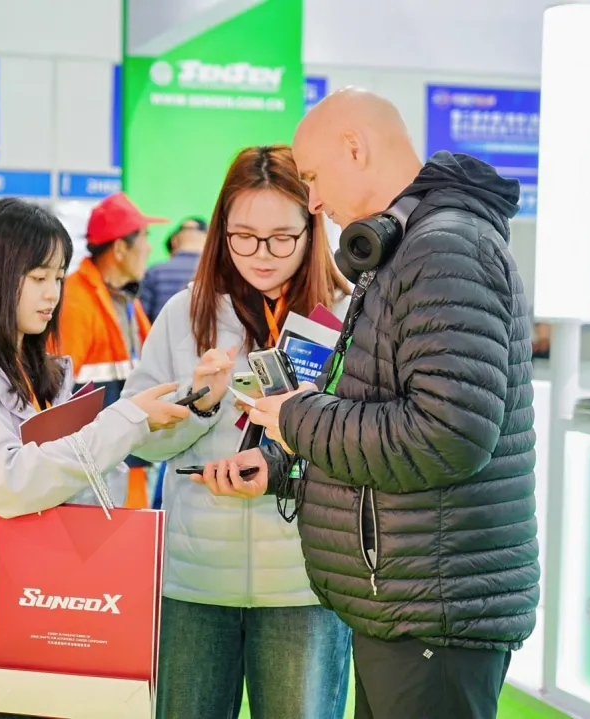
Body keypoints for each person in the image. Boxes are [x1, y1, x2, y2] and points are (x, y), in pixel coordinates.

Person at [193, 89, 539, 719]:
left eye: (314, 177)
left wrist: (297, 417)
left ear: (355, 147)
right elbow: (384, 413)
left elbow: (447, 434)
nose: (314, 200)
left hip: (434, 608)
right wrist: (284, 465)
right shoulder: (410, 248)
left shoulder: (445, 249)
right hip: (409, 601)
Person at [0, 198, 189, 719]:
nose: (52, 293)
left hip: (60, 618)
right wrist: (125, 421)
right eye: (38, 277)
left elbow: (71, 476)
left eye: (58, 276)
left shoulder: (36, 371)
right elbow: (12, 482)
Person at [122, 145, 353, 719]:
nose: (262, 255)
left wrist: (290, 458)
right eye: (243, 237)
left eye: (281, 238)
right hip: (195, 582)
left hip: (306, 584)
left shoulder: (349, 315)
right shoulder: (185, 313)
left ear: (312, 228)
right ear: (221, 231)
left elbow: (365, 442)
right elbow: (140, 440)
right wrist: (200, 402)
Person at [56, 191, 167, 508]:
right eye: (144, 238)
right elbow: (56, 396)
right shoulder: (75, 302)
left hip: (124, 457)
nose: (149, 248)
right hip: (93, 470)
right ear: (119, 249)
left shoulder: (122, 299)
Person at [139, 217, 207, 322]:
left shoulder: (153, 272)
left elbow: (142, 318)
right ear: (207, 240)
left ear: (174, 241)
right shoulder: (219, 274)